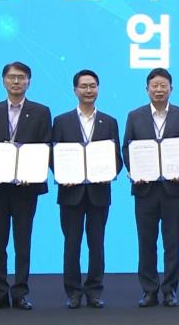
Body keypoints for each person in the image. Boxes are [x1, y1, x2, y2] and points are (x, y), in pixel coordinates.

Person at [0, 61, 52, 311]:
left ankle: (20, 293)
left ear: (29, 81)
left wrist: (33, 171)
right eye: (12, 77)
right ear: (4, 81)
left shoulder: (41, 111)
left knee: (23, 241)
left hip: (26, 188)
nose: (16, 81)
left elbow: (46, 146)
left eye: (21, 77)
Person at [123, 68, 179, 308]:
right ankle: (149, 290)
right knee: (146, 242)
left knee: (172, 243)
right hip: (145, 190)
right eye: (154, 86)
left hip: (174, 189)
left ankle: (170, 290)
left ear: (171, 89)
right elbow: (127, 148)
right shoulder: (135, 116)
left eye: (163, 85)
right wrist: (134, 171)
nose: (159, 89)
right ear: (147, 89)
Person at [52, 69, 122, 309]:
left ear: (98, 89)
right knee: (71, 244)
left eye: (92, 86)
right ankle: (72, 292)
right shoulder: (61, 121)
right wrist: (62, 175)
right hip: (70, 193)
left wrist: (109, 173)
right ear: (75, 90)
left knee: (97, 243)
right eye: (84, 86)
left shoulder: (109, 121)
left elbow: (117, 158)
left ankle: (94, 291)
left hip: (98, 193)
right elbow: (54, 155)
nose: (88, 90)